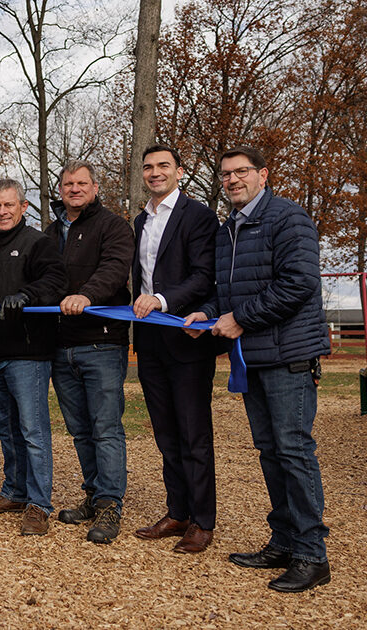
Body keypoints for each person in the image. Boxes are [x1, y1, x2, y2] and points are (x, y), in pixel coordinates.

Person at [184, 146, 331, 592]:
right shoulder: (228, 229)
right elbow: (230, 293)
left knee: (293, 451)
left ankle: (312, 554)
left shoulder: (288, 218)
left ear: (263, 175)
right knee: (271, 452)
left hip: (289, 357)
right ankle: (284, 542)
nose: (232, 180)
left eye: (241, 172)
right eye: (226, 174)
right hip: (254, 358)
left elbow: (298, 283)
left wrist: (241, 318)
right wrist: (208, 313)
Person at [130, 145, 220, 553]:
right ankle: (178, 511)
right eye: (148, 167)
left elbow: (203, 276)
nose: (155, 172)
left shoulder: (198, 216)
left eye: (163, 165)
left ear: (179, 171)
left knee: (193, 435)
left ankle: (202, 521)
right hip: (150, 343)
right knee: (166, 434)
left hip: (187, 340)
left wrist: (162, 301)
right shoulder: (140, 221)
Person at [44, 159, 134, 544]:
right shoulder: (50, 232)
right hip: (61, 345)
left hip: (102, 342)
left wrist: (87, 295)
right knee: (80, 430)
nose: (75, 189)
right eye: (68, 184)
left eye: (82, 183)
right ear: (60, 190)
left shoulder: (113, 227)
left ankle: (111, 504)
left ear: (95, 188)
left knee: (105, 428)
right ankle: (94, 495)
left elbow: (114, 269)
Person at [0, 178, 66, 536]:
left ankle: (39, 504)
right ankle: (15, 491)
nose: (3, 211)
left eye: (9, 205)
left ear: (23, 207)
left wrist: (26, 295)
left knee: (33, 431)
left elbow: (55, 282)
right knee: (6, 430)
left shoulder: (38, 243)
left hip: (28, 354)